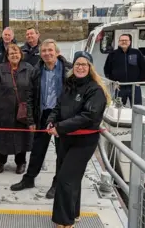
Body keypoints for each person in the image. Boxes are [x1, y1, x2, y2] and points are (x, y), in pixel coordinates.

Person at [46, 51, 111, 228]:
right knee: (71, 178)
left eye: (84, 64)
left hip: (83, 142)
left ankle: (64, 221)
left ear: (90, 68)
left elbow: (88, 116)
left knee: (65, 179)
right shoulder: (69, 85)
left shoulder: (95, 90)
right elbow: (58, 107)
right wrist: (51, 120)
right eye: (77, 64)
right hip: (65, 139)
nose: (80, 67)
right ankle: (73, 213)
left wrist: (60, 127)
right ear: (73, 67)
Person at [10, 39, 72, 199]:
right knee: (37, 150)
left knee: (62, 151)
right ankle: (29, 179)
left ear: (57, 52)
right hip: (42, 114)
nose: (47, 53)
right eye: (44, 51)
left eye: (50, 50)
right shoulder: (36, 71)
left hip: (62, 116)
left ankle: (57, 183)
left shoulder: (68, 70)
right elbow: (29, 97)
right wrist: (30, 120)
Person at [0, 44, 35, 174]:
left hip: (22, 111)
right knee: (2, 136)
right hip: (3, 110)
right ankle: (0, 161)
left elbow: (34, 89)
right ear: (7, 56)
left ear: (21, 54)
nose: (14, 55)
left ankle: (21, 162)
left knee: (21, 137)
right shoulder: (0, 69)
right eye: (11, 53)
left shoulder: (29, 68)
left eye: (16, 52)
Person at [103, 34, 145, 106]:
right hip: (119, 87)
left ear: (130, 42)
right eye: (122, 40)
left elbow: (143, 68)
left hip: (134, 86)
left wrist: (140, 81)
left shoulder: (136, 53)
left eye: (126, 40)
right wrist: (113, 82)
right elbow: (107, 69)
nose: (124, 42)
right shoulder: (112, 54)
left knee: (138, 108)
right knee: (118, 108)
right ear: (119, 42)